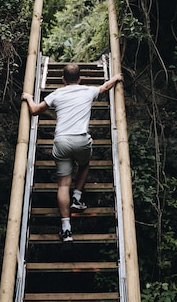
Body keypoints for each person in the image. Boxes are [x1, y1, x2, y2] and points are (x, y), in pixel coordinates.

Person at [22, 64, 124, 242]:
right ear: (80, 79)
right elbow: (105, 86)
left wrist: (28, 98)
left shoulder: (57, 94)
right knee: (84, 164)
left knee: (62, 184)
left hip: (61, 141)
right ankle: (77, 196)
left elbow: (35, 110)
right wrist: (116, 78)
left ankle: (66, 228)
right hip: (81, 140)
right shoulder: (87, 91)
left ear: (62, 80)